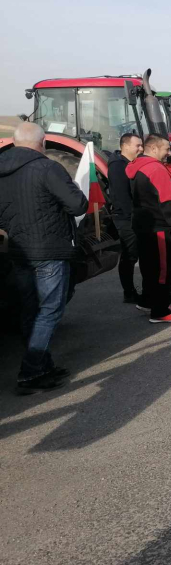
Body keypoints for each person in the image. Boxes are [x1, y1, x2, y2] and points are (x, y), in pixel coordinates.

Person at [0, 122, 88, 394]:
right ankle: (29, 372)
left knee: (31, 310)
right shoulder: (48, 168)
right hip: (49, 250)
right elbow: (78, 205)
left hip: (18, 250)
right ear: (43, 143)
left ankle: (43, 366)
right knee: (50, 311)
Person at [126, 135, 171, 323]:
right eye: (166, 149)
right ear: (153, 149)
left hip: (144, 225)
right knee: (164, 269)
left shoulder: (137, 167)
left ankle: (147, 301)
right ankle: (161, 311)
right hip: (160, 227)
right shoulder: (156, 169)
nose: (169, 153)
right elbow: (167, 201)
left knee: (149, 267)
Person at [107, 132, 144, 304]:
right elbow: (123, 196)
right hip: (126, 218)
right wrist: (135, 218)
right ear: (126, 146)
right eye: (137, 145)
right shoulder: (117, 166)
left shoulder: (131, 163)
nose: (141, 149)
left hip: (134, 216)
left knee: (138, 254)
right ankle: (129, 292)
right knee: (130, 255)